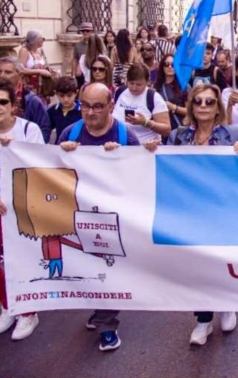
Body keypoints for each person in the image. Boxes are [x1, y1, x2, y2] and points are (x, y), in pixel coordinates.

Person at [149, 83, 238, 344]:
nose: (203, 106)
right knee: (197, 265)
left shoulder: (233, 133)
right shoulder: (178, 136)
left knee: (220, 261)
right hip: (190, 211)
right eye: (198, 101)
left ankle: (226, 303)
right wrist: (150, 151)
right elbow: (164, 166)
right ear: (191, 106)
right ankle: (203, 320)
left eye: (210, 102)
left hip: (222, 210)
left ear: (217, 108)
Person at [58, 83, 142, 351]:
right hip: (79, 213)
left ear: (111, 107)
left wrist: (121, 158)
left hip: (114, 216)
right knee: (88, 265)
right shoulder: (70, 133)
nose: (90, 112)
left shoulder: (126, 136)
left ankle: (107, 325)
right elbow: (51, 172)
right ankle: (99, 307)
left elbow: (141, 176)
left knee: (109, 267)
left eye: (97, 106)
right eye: (85, 106)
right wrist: (63, 154)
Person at [0, 79, 44, 341]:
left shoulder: (29, 130)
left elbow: (41, 169)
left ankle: (28, 312)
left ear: (13, 104)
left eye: (3, 101)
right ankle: (9, 304)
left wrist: (13, 150)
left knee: (22, 263)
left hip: (21, 209)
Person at [0, 57, 51, 143]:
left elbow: (44, 129)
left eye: (8, 72)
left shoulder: (32, 101)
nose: (2, 76)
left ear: (20, 75)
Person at [112, 63, 171, 144]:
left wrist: (145, 122)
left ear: (147, 81)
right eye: (131, 83)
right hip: (120, 146)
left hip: (146, 147)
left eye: (138, 85)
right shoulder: (120, 92)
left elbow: (167, 130)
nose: (134, 88)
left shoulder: (153, 97)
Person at [153, 54, 188, 137]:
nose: (170, 67)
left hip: (180, 129)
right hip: (162, 129)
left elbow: (190, 111)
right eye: (166, 64)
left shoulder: (184, 86)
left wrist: (174, 107)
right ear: (162, 67)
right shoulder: (155, 87)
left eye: (173, 65)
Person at [17, 29, 53, 95]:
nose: (43, 40)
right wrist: (39, 71)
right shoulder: (24, 51)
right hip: (30, 88)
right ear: (34, 40)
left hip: (42, 88)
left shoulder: (40, 50)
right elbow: (21, 69)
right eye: (41, 39)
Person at [47, 76, 82, 143]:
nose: (66, 99)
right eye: (62, 96)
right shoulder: (53, 111)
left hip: (78, 146)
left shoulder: (82, 111)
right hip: (59, 146)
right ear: (56, 93)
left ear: (76, 93)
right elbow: (46, 128)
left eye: (69, 95)